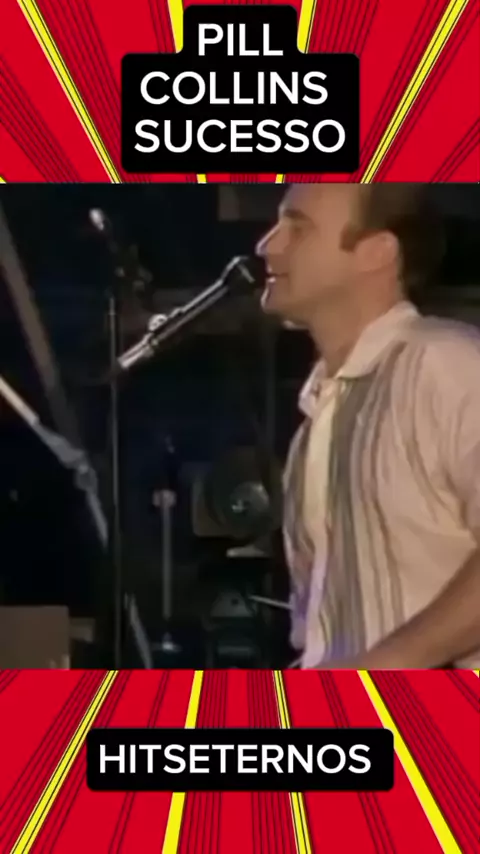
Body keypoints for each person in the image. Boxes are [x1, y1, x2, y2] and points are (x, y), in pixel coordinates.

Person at [256, 183, 480, 669]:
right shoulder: (318, 419)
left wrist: (382, 667)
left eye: (298, 228)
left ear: (377, 252)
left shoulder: (445, 364)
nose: (267, 245)